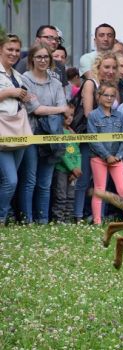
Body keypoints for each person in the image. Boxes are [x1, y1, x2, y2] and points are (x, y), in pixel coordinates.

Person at [17, 44, 68, 224]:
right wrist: (58, 108)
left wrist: (57, 109)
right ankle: (26, 220)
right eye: (39, 57)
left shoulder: (55, 82)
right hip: (30, 134)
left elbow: (64, 108)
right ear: (32, 59)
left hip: (53, 136)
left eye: (46, 57)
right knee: (30, 180)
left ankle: (42, 220)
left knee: (45, 183)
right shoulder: (25, 79)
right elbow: (35, 109)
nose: (43, 60)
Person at [73, 52, 120, 223]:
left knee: (103, 182)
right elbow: (88, 114)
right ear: (98, 67)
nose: (110, 71)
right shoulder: (90, 84)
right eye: (106, 67)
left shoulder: (114, 86)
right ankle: (77, 215)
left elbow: (117, 114)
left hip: (109, 142)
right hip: (90, 138)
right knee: (84, 179)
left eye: (114, 67)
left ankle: (98, 215)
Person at [87, 82, 123, 225]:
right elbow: (93, 139)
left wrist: (118, 156)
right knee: (100, 190)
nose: (109, 98)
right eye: (106, 95)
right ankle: (97, 221)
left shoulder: (120, 116)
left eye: (112, 96)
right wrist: (106, 156)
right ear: (99, 96)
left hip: (117, 159)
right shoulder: (93, 116)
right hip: (98, 158)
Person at [0, 34, 32, 226]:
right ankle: (2, 217)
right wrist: (9, 93)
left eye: (17, 50)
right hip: (2, 129)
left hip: (18, 129)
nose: (14, 53)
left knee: (12, 180)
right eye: (9, 49)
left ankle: (4, 215)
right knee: (10, 180)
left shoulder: (17, 75)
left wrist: (25, 96)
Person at [50, 105, 81, 223]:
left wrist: (77, 168)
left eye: (72, 115)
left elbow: (78, 153)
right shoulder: (59, 133)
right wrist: (72, 168)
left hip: (74, 172)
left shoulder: (73, 133)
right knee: (61, 197)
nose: (69, 118)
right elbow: (62, 153)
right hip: (62, 170)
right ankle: (58, 221)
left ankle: (67, 221)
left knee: (71, 197)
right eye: (65, 115)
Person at [14, 25, 68, 89]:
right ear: (37, 40)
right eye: (49, 38)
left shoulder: (59, 65)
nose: (54, 42)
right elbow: (17, 88)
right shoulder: (25, 63)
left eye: (56, 39)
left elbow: (63, 93)